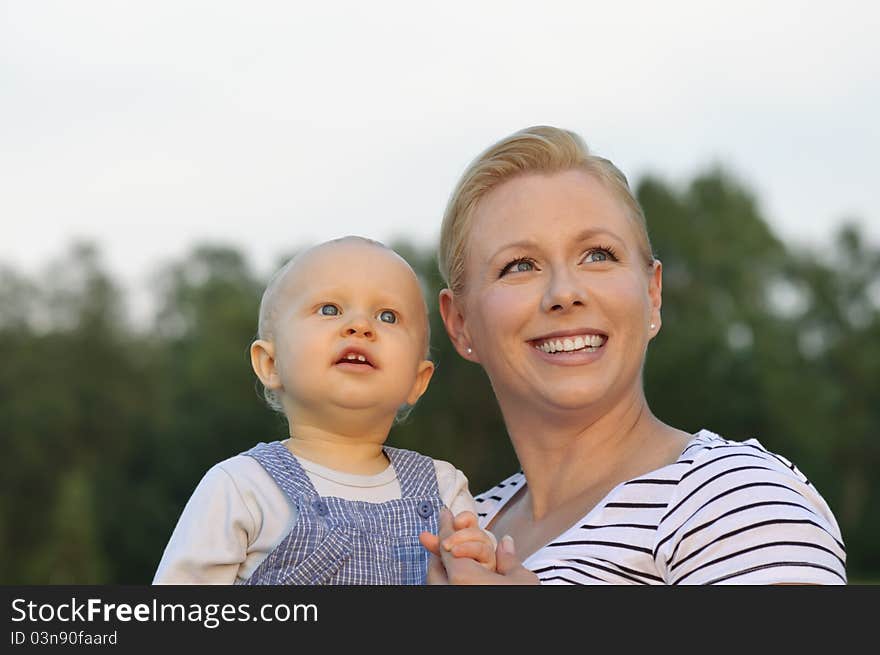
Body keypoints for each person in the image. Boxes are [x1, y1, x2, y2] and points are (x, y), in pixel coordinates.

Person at [419, 126, 847, 584]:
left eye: (598, 255)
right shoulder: (453, 529)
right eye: (520, 266)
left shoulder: (736, 499)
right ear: (460, 322)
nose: (564, 293)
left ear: (652, 293)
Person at [154, 236, 495, 584]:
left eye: (388, 316)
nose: (360, 326)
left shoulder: (444, 489)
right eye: (330, 309)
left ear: (416, 381)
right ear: (271, 363)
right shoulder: (242, 488)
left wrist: (479, 562)